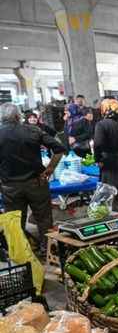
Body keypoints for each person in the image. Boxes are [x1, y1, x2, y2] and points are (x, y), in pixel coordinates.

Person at [0, 103, 65, 251]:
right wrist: (49, 170)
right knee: (44, 220)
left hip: (10, 187)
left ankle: (22, 256)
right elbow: (59, 149)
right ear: (18, 116)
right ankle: (48, 251)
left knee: (15, 223)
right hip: (36, 183)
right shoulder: (33, 130)